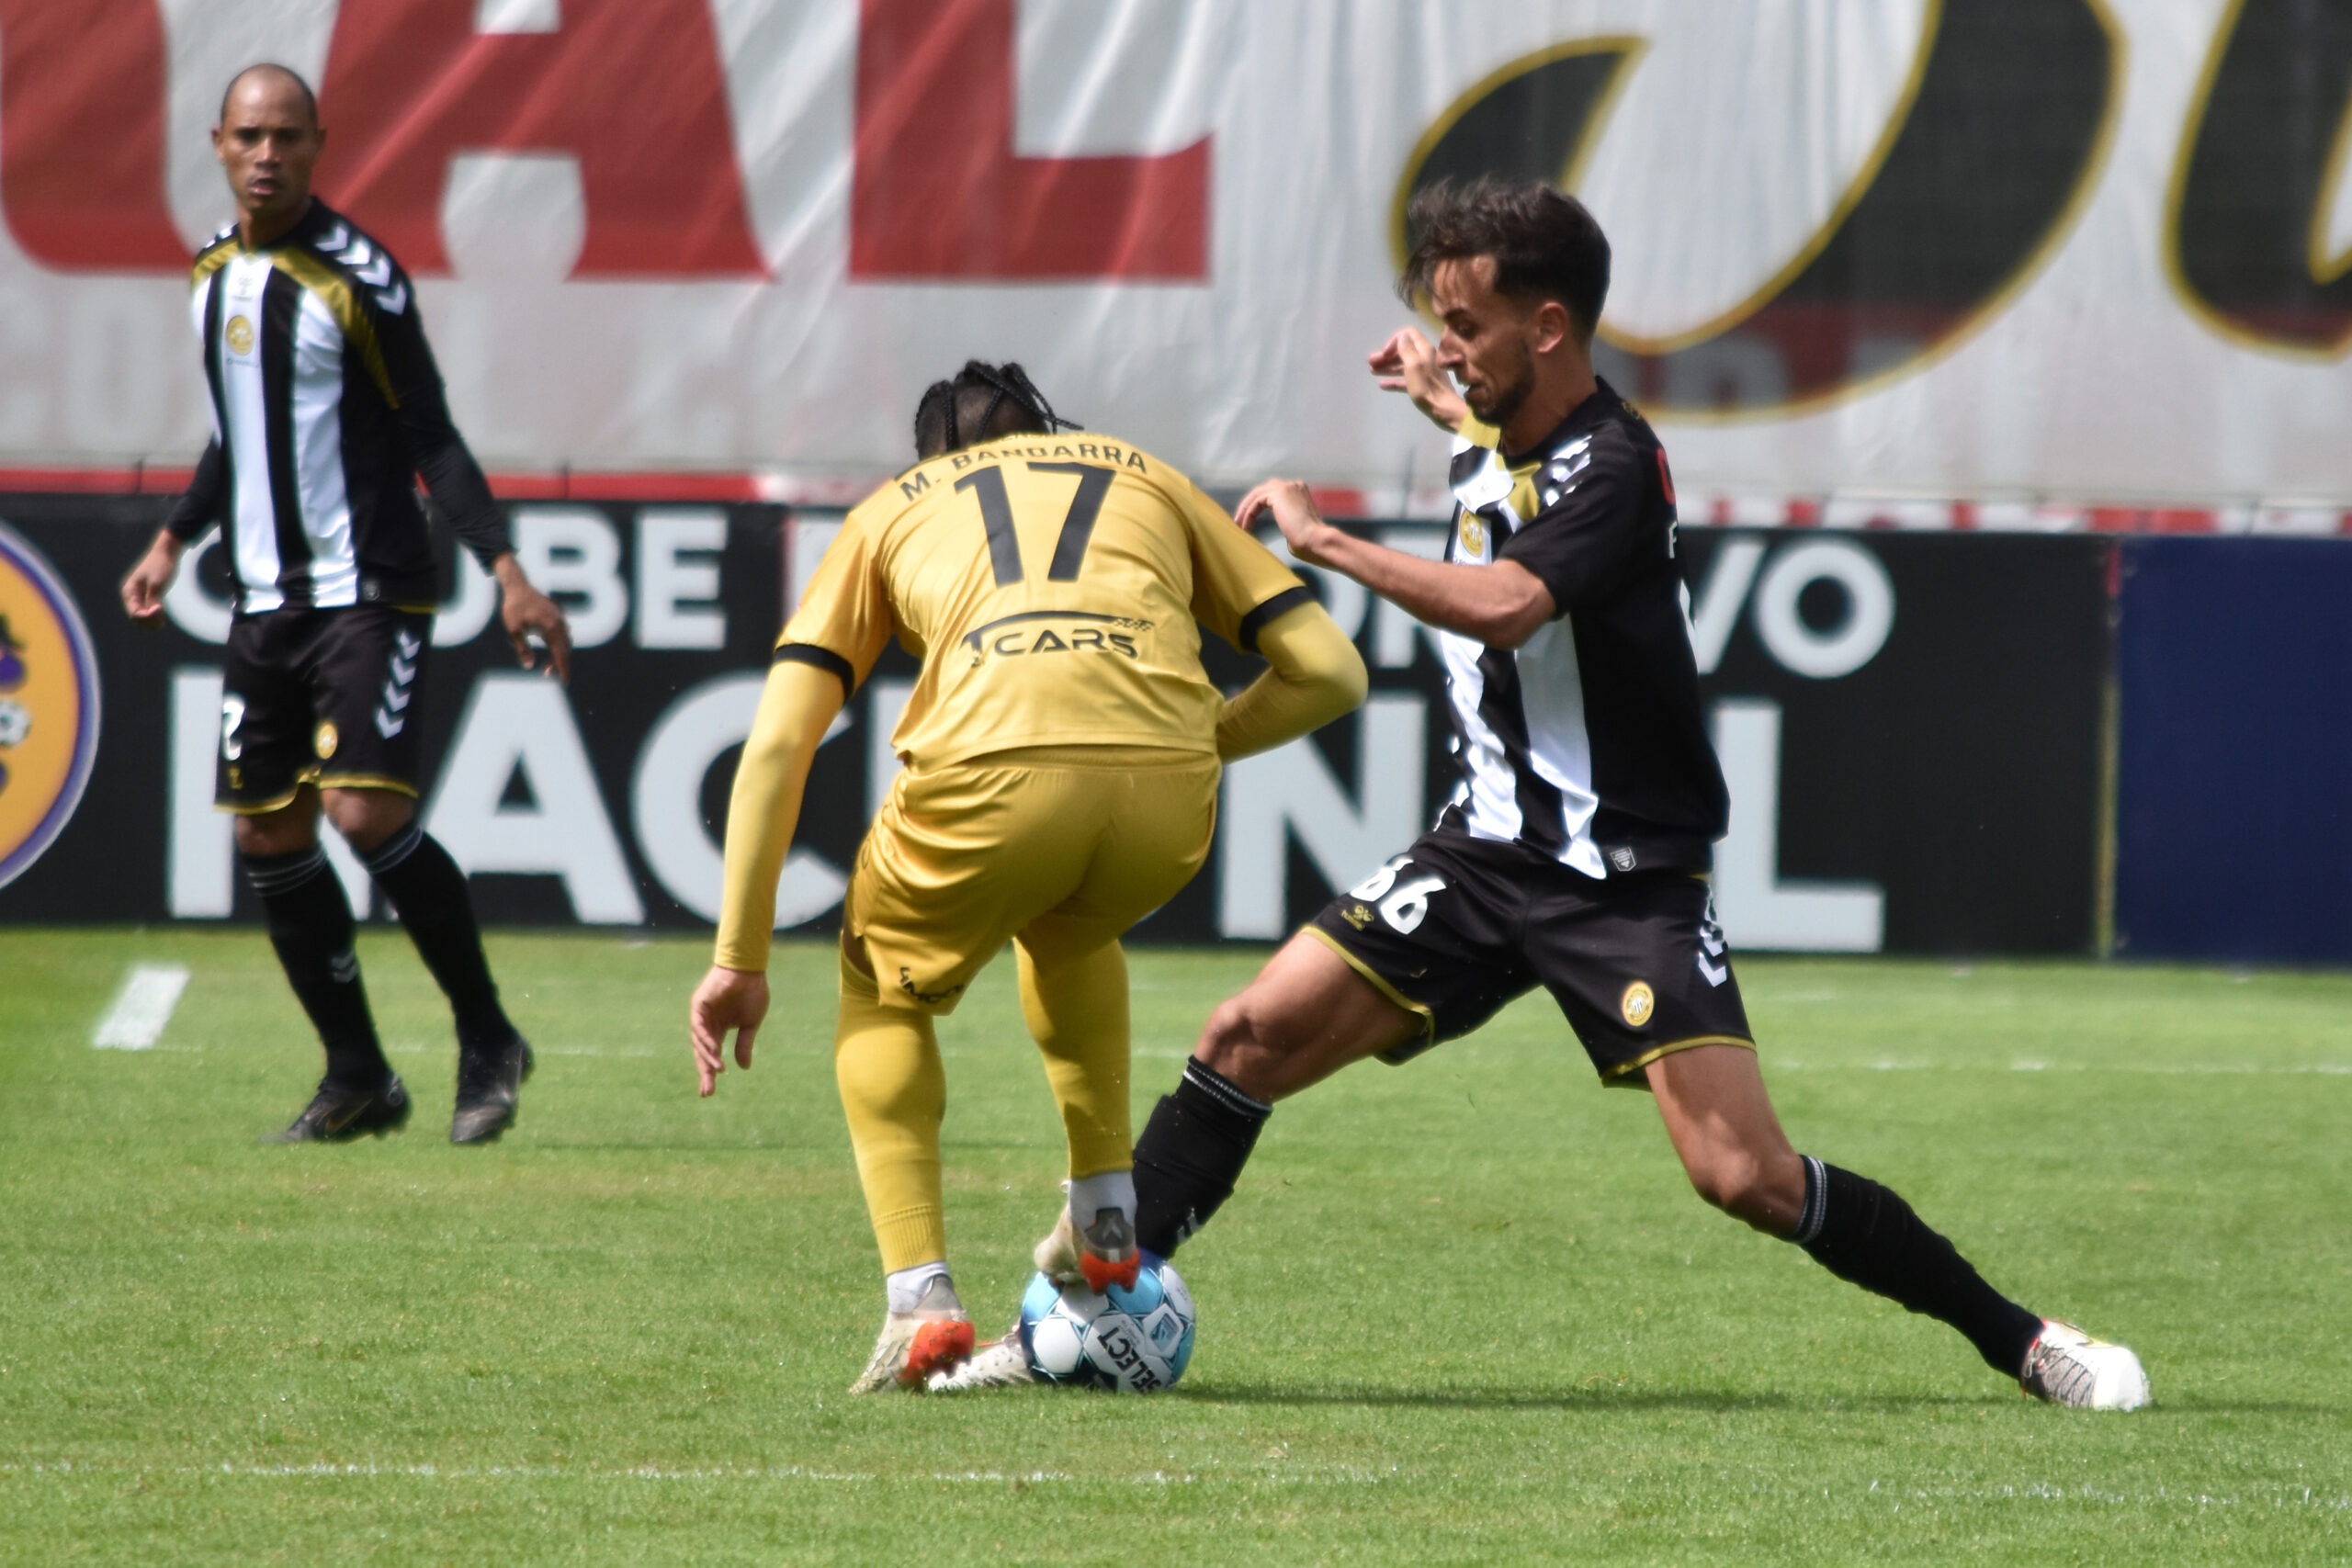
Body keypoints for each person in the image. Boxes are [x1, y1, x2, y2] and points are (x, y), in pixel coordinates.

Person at [951, 178, 2149, 1409]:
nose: (1450, 344)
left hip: (1621, 876)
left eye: (1468, 323)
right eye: (1442, 319)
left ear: (1551, 326)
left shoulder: (1618, 464)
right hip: (1479, 857)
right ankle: (1083, 1316)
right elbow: (1502, 465)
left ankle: (2024, 1338)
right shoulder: (1509, 436)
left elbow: (1511, 601)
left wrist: (1329, 542)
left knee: (1746, 1175)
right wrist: (1444, 397)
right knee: (1243, 1035)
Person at [688, 362, 1367, 1392]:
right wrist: (1184, 744)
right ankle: (1105, 1213)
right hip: (1164, 801)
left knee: (879, 990)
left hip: (986, 782)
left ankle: (919, 1297)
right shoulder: (1147, 476)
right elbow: (1331, 671)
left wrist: (738, 957)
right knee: (1071, 926)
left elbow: (779, 744)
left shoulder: (889, 511)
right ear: (1041, 430)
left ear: (935, 459)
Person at [119, 64, 571, 1145]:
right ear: (217, 145)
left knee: (363, 811)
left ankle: (486, 1035)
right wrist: (177, 534)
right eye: (248, 136)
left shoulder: (359, 277)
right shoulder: (211, 276)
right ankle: (358, 1073)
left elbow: (432, 434)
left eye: (287, 136)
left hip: (370, 587)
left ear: (320, 144)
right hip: (264, 598)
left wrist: (505, 566)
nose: (267, 154)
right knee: (272, 835)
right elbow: (242, 430)